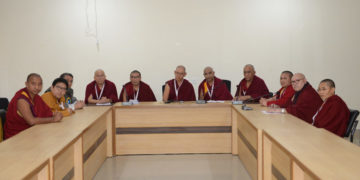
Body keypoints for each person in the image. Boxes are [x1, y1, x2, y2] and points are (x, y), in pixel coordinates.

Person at [4, 73, 63, 139]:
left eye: (40, 84)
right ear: (26, 84)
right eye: (33, 84)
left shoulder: (36, 97)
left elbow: (47, 112)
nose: (37, 87)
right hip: (16, 136)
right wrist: (53, 119)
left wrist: (54, 114)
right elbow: (31, 121)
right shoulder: (21, 99)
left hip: (31, 132)